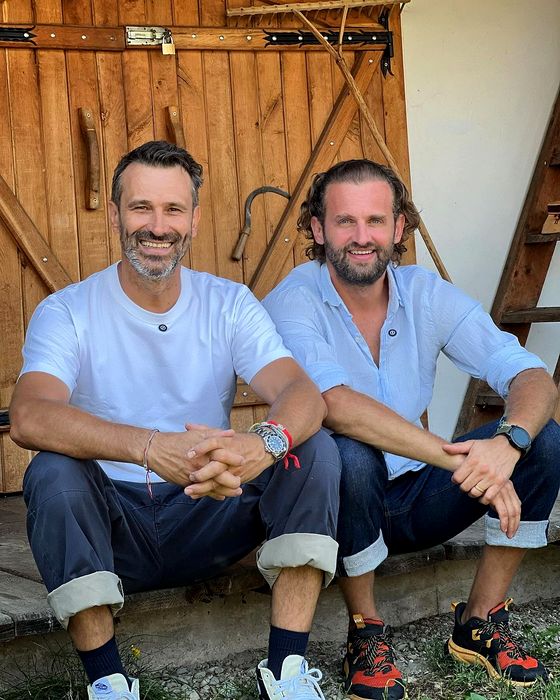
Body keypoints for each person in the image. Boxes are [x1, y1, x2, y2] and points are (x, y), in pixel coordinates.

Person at [9, 141, 342, 700]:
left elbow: (302, 393)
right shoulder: (67, 310)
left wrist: (262, 442)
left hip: (210, 510)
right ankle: (109, 683)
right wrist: (148, 446)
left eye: (173, 210)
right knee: (52, 472)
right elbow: (29, 414)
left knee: (315, 450)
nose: (157, 226)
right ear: (114, 215)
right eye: (141, 208)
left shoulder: (229, 302)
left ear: (194, 219)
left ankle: (286, 673)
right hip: (115, 529)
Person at [263, 158, 560, 700]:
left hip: (420, 494)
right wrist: (462, 459)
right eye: (345, 221)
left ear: (399, 227)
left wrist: (509, 441)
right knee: (347, 452)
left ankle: (479, 619)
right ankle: (365, 632)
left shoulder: (424, 292)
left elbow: (529, 373)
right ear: (318, 229)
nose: (362, 237)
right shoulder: (292, 299)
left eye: (375, 220)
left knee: (542, 437)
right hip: (339, 506)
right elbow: (333, 404)